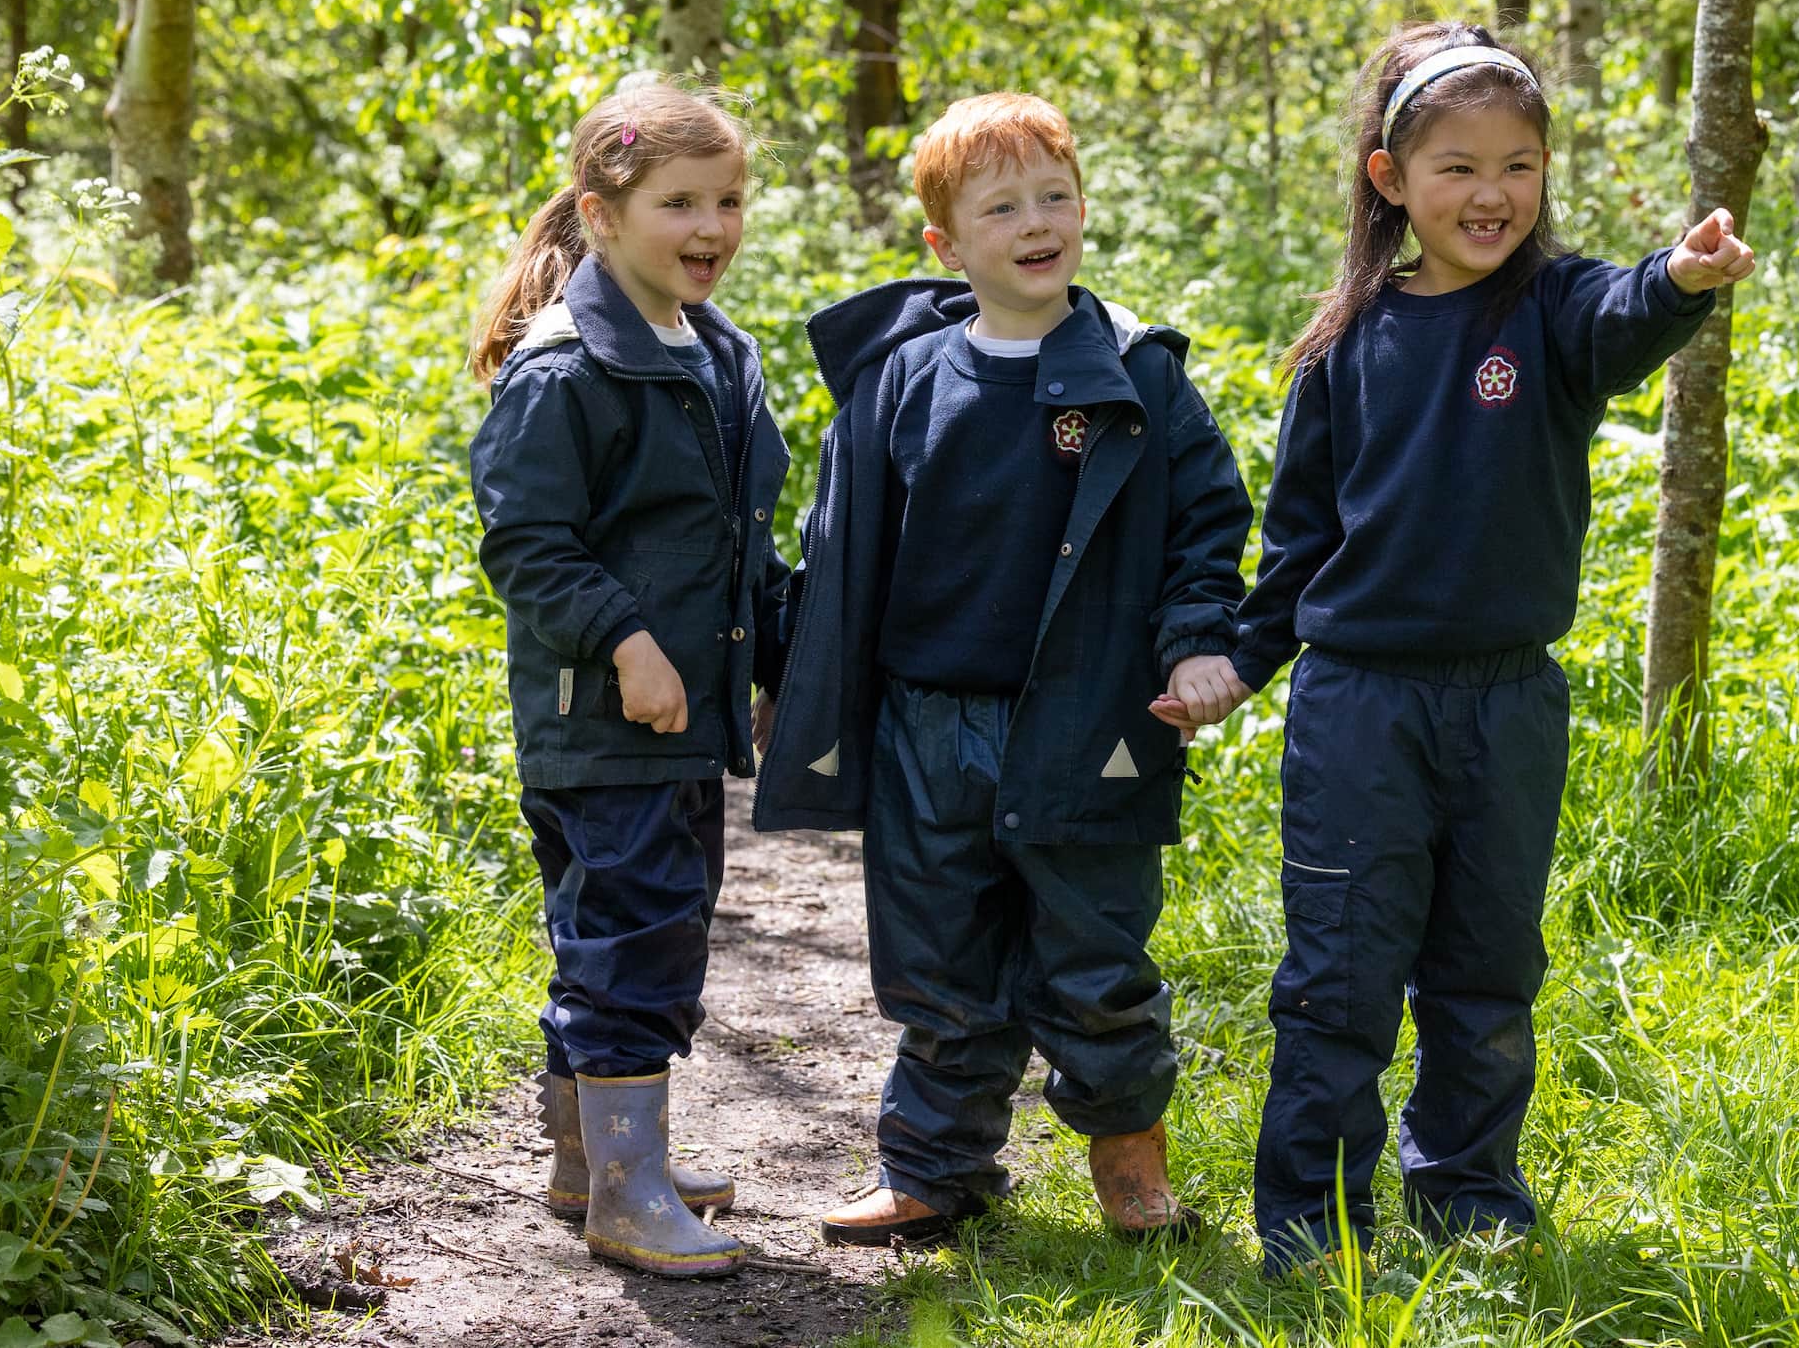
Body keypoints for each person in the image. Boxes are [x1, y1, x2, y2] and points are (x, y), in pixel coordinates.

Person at [1230, 22, 1757, 1273]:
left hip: (1509, 704)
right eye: (1458, 167)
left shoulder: (1557, 311)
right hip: (1360, 705)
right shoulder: (1347, 347)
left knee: (1487, 968)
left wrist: (1679, 278)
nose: (1492, 194)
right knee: (1343, 975)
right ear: (1390, 181)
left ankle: (1468, 1194)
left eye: (1518, 165)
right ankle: (1314, 1219)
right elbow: (1294, 542)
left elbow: (1630, 312)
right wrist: (1234, 664)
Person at [753, 92, 1254, 1246]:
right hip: (929, 727)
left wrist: (1195, 640)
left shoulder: (1142, 379)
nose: (1039, 223)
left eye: (1055, 197)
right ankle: (934, 1169)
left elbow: (1203, 530)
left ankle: (1134, 1172)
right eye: (1003, 207)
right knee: (939, 961)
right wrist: (796, 677)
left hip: (1093, 721)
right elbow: (837, 554)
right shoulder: (900, 383)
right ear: (947, 244)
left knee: (1095, 955)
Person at [467, 82, 789, 1279]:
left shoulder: (714, 353)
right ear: (601, 219)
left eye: (728, 200)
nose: (710, 226)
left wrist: (771, 648)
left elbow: (732, 537)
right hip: (603, 720)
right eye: (678, 203)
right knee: (636, 935)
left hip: (677, 722)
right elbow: (527, 542)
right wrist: (627, 641)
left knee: (628, 923)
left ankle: (586, 1159)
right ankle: (626, 1190)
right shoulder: (568, 371)